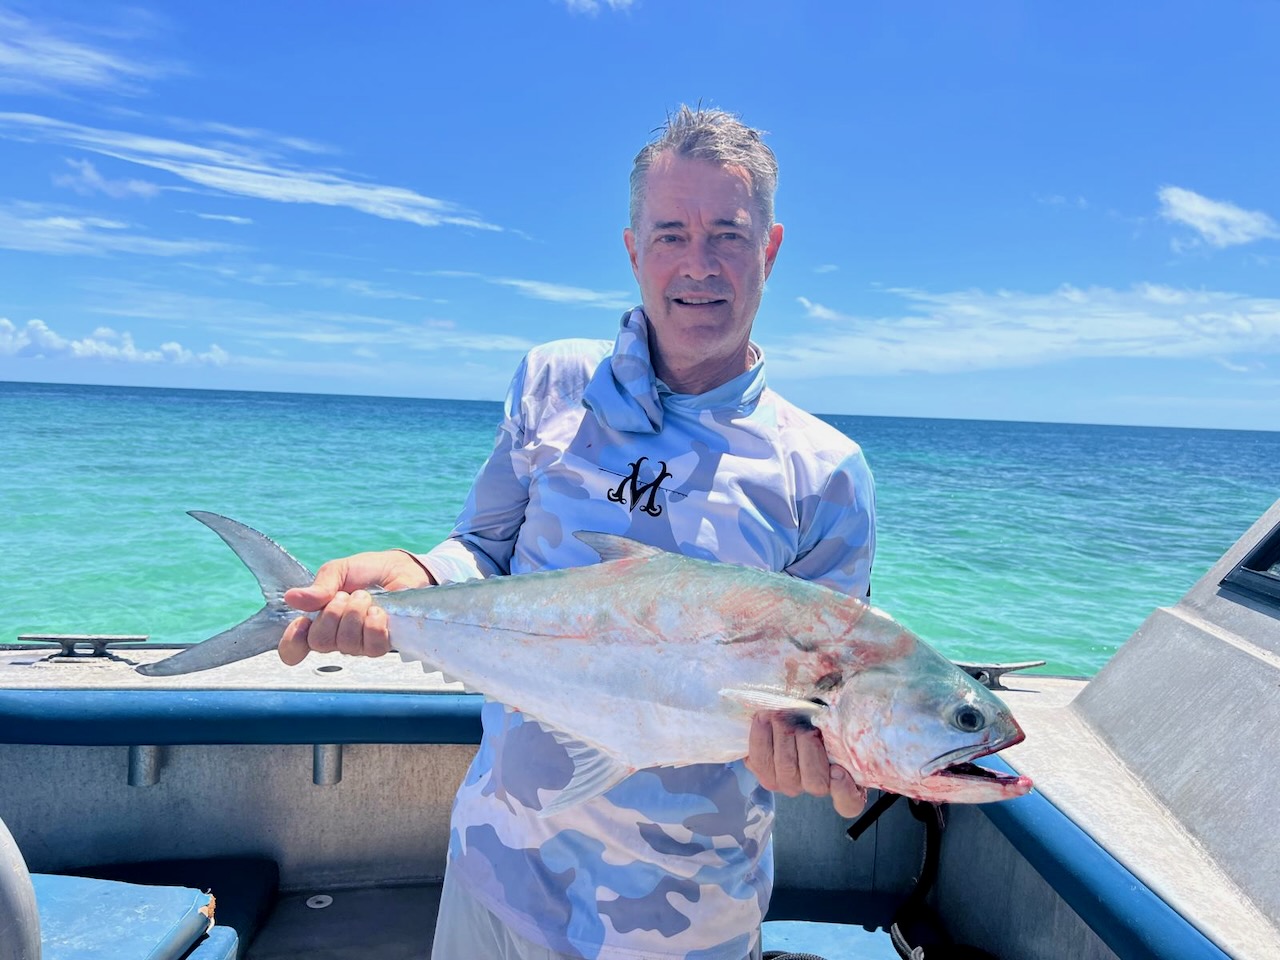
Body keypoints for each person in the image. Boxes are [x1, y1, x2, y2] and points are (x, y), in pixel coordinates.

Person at [279, 105, 877, 960]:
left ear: (770, 249)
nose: (698, 264)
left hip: (679, 921)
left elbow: (835, 699)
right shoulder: (552, 382)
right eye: (671, 234)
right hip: (496, 867)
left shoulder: (823, 473)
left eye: (728, 235)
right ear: (633, 249)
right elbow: (481, 550)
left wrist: (836, 763)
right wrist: (417, 576)